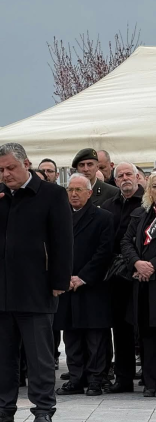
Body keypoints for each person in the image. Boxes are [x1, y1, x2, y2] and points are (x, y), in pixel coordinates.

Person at [0, 143, 73, 422]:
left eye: (11, 168)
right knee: (3, 357)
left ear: (26, 164)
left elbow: (63, 241)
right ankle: (2, 409)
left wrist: (59, 280)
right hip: (0, 288)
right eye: (1, 169)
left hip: (36, 287)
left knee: (39, 358)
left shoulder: (52, 194)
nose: (6, 174)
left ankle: (43, 409)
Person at [54, 174, 114, 397]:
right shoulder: (60, 217)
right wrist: (64, 276)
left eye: (79, 190)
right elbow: (53, 249)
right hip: (66, 285)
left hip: (92, 286)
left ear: (89, 193)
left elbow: (104, 252)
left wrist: (82, 277)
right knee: (71, 336)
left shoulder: (103, 217)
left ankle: (96, 379)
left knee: (94, 336)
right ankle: (76, 378)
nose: (74, 194)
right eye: (70, 189)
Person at [101, 162, 144, 393]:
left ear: (138, 177)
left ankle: (149, 376)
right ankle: (123, 378)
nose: (125, 178)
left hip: (141, 273)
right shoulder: (108, 205)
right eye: (120, 175)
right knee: (120, 327)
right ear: (115, 181)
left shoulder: (147, 204)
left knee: (145, 327)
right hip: (117, 275)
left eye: (129, 174)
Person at [121, 173, 156, 397]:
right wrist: (136, 262)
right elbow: (125, 241)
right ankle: (151, 382)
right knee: (147, 334)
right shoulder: (141, 213)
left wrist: (151, 266)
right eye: (155, 186)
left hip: (153, 277)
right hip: (143, 286)